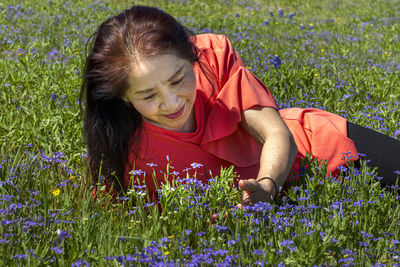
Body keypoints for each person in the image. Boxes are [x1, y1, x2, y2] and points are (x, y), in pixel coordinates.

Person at [80, 5, 400, 206]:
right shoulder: (119, 153)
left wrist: (266, 187)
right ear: (123, 96)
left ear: (192, 58)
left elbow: (277, 134)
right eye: (148, 96)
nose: (172, 102)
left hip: (317, 151)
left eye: (179, 79)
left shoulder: (213, 55)